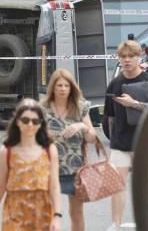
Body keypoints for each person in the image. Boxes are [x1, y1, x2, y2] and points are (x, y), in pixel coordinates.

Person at [104, 40, 148, 231]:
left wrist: (134, 103)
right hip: (120, 142)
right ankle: (116, 223)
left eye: (131, 56)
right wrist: (113, 141)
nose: (127, 60)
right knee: (117, 184)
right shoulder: (115, 84)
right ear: (118, 59)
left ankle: (145, 219)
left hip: (143, 142)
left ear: (139, 57)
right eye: (123, 56)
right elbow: (109, 116)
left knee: (143, 184)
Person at [0, 98, 62, 231]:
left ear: (40, 124)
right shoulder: (7, 151)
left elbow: (54, 185)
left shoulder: (49, 150)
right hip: (14, 214)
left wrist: (56, 216)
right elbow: (0, 186)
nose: (30, 125)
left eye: (35, 121)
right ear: (17, 122)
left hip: (43, 213)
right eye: (25, 120)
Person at [42, 69, 97, 231]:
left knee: (76, 212)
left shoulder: (80, 107)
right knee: (50, 212)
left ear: (72, 87)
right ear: (53, 87)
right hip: (49, 168)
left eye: (66, 85)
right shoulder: (43, 108)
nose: (63, 89)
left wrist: (81, 126)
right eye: (59, 85)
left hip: (75, 168)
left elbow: (92, 138)